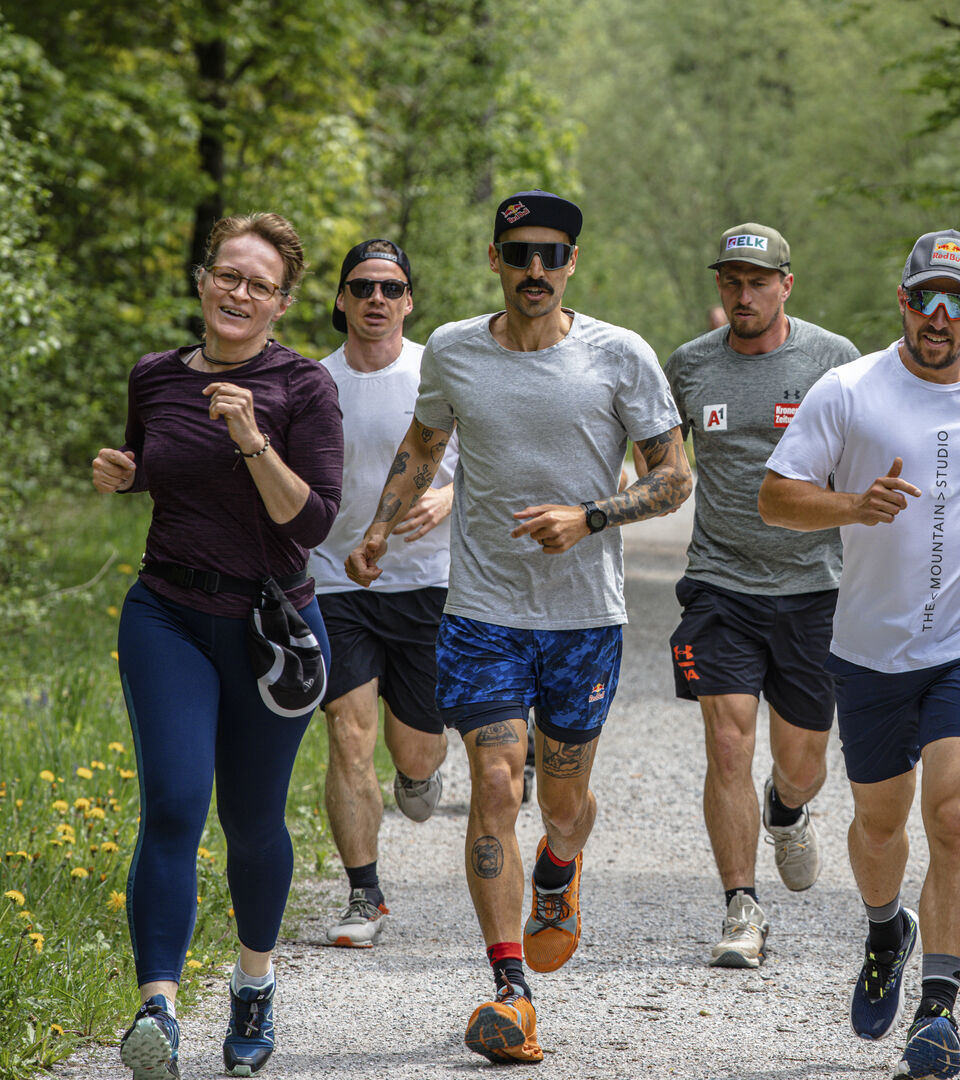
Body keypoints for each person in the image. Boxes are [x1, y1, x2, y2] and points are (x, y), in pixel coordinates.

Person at [344, 190, 690, 1064]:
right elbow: (424, 448)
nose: (534, 268)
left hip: (583, 620)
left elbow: (674, 478)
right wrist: (382, 527)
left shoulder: (620, 355)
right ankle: (509, 990)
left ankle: (559, 870)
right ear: (495, 260)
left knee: (563, 805)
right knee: (497, 785)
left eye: (551, 254)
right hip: (483, 612)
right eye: (519, 253)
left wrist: (592, 516)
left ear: (572, 263)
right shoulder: (456, 351)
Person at [759, 229, 960, 1080]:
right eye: (923, 298)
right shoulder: (848, 389)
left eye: (956, 302)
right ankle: (881, 931)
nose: (938, 317)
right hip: (867, 649)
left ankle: (937, 1012)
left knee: (954, 818)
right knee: (877, 825)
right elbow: (774, 498)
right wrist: (850, 506)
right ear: (901, 299)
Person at [92, 212, 342, 1079]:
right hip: (164, 612)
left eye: (259, 284)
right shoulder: (155, 376)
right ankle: (156, 1009)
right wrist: (127, 473)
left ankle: (252, 984)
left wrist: (253, 439)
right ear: (203, 281)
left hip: (271, 631)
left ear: (281, 303)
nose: (239, 293)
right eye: (227, 275)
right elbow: (156, 462)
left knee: (251, 820)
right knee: (171, 804)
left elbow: (308, 521)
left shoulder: (303, 387)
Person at [663, 223, 860, 968]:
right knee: (726, 742)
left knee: (803, 759)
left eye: (758, 282)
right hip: (720, 583)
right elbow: (661, 461)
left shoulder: (834, 360)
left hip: (814, 587)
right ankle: (740, 908)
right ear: (719, 285)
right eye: (731, 281)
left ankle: (787, 806)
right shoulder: (687, 366)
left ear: (785, 284)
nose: (743, 295)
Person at [307, 238, 457, 948]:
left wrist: (448, 496)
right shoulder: (311, 383)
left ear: (408, 301)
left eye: (390, 288)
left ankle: (419, 773)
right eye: (361, 287)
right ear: (340, 300)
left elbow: (489, 463)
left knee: (418, 755)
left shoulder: (441, 370)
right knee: (348, 733)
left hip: (428, 583)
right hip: (334, 580)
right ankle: (363, 895)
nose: (376, 299)